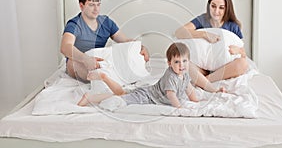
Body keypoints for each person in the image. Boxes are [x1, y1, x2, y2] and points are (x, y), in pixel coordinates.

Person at [77, 43, 225, 108]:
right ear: (169, 63)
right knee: (121, 97)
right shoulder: (171, 76)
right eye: (177, 62)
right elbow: (171, 96)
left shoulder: (184, 73)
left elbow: (189, 90)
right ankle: (100, 84)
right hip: (147, 97)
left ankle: (97, 89)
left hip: (149, 90)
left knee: (122, 92)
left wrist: (197, 101)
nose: (181, 65)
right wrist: (180, 109)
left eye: (185, 61)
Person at [60, 0, 149, 82]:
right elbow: (65, 47)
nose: (96, 9)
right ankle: (107, 79)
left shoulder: (106, 22)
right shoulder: (74, 24)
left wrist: (140, 47)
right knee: (74, 63)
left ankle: (113, 77)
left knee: (127, 60)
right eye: (91, 5)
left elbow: (125, 41)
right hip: (79, 60)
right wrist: (85, 59)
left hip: (98, 59)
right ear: (81, 6)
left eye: (98, 5)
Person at [175, 0, 248, 88]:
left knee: (243, 64)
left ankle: (205, 81)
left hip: (223, 68)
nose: (216, 11)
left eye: (221, 8)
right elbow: (179, 32)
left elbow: (244, 54)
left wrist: (238, 50)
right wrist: (204, 34)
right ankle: (203, 79)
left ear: (227, 9)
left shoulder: (232, 26)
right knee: (183, 62)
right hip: (202, 67)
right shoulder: (202, 20)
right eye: (213, 6)